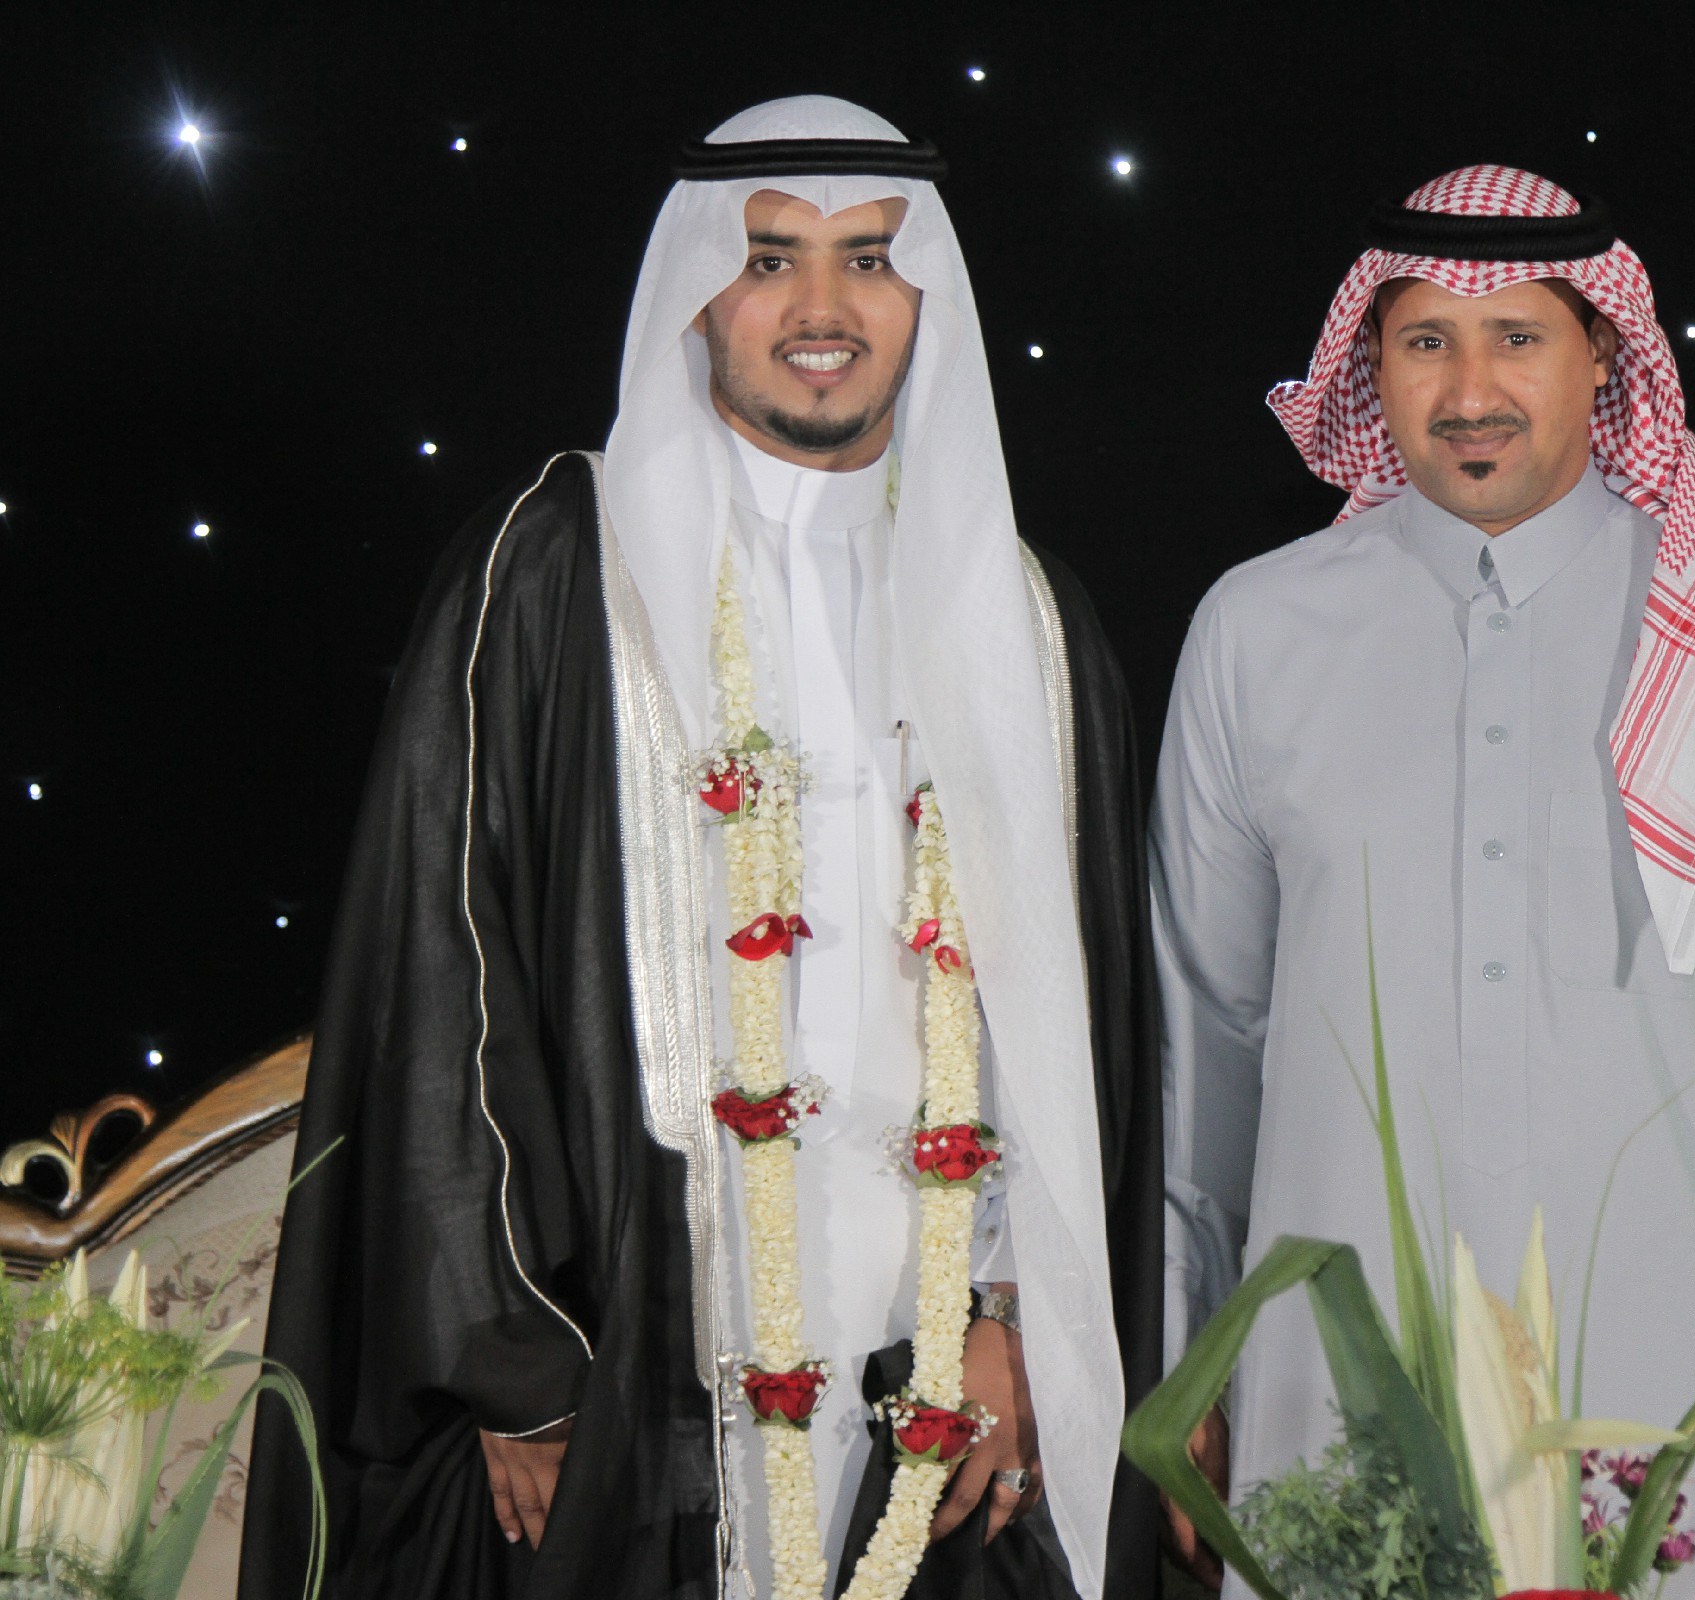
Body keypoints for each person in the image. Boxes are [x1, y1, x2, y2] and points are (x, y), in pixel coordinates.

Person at [239, 96, 1161, 1600]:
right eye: (769, 259)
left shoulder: (1029, 621)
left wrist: (1015, 1316)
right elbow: (445, 965)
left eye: (869, 260)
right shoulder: (554, 570)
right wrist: (513, 1362)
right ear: (695, 291)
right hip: (627, 1366)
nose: (821, 309)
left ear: (926, 295)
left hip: (929, 1364)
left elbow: (1075, 1023)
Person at [1150, 166, 1695, 1600]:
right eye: (1426, 342)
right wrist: (1183, 1359)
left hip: (1689, 1388)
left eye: (1518, 337)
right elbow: (1205, 1033)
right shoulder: (1255, 633)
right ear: (1370, 365)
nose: (1471, 392)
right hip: (1334, 1390)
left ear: (1604, 359)